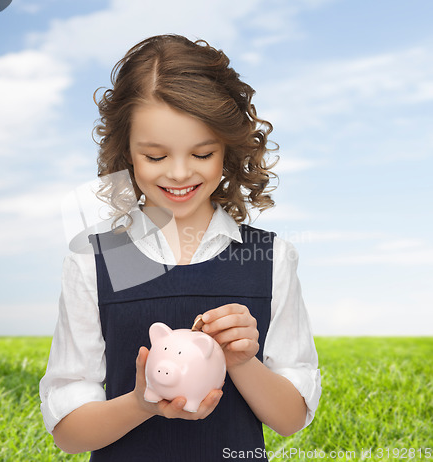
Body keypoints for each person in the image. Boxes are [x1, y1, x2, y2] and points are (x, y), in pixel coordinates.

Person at [39, 34, 321, 461]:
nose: (179, 173)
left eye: (202, 153)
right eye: (155, 156)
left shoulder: (269, 258)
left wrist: (242, 361)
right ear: (126, 153)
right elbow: (69, 434)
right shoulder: (96, 260)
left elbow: (290, 419)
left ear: (227, 148)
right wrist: (141, 404)